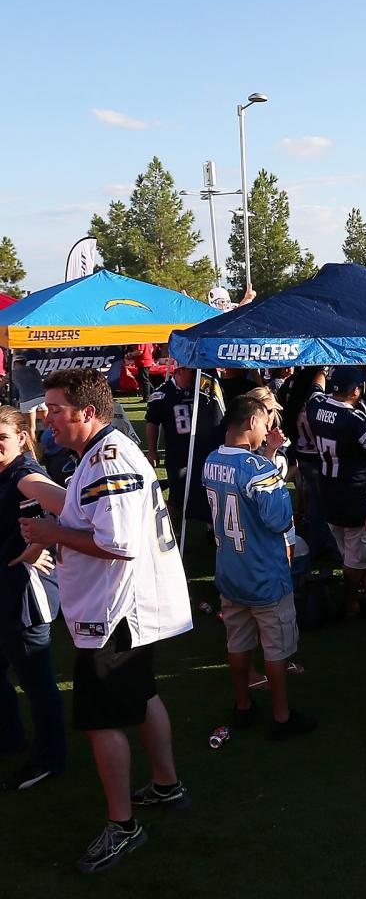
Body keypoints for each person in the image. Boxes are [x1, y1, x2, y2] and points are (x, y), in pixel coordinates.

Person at [21, 368, 191, 874]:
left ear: (88, 413)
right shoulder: (102, 453)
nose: (48, 421)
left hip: (114, 611)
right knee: (142, 695)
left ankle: (122, 826)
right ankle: (166, 784)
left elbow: (117, 544)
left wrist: (53, 532)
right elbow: (97, 520)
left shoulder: (107, 458)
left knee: (100, 721)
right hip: (126, 606)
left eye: (55, 410)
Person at [202, 395, 315, 739]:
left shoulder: (211, 459)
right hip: (263, 573)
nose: (268, 429)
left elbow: (243, 486)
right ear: (251, 422)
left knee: (238, 643)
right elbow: (279, 519)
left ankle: (242, 705)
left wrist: (267, 457)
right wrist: (272, 466)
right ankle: (281, 716)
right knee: (275, 649)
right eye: (265, 422)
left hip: (230, 570)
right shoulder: (259, 469)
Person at [0, 406, 64, 791]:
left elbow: (65, 502)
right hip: (6, 593)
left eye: (1, 439)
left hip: (25, 599)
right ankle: (10, 736)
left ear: (22, 438)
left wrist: (49, 535)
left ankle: (50, 757)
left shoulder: (25, 474)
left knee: (37, 681)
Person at [306, 366, 366, 615]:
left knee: (350, 550)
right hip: (355, 492)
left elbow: (314, 389)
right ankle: (349, 602)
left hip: (329, 488)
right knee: (357, 555)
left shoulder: (316, 407)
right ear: (355, 391)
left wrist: (322, 369)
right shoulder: (356, 420)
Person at [144, 365, 224, 524]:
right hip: (178, 454)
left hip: (205, 451)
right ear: (179, 370)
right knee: (177, 495)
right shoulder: (162, 393)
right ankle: (175, 533)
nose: (197, 374)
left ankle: (211, 527)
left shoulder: (206, 388)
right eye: (193, 371)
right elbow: (152, 422)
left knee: (210, 491)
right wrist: (152, 450)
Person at [284, 366, 336, 561]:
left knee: (313, 501)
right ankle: (323, 544)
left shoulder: (296, 404)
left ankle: (316, 541)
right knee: (322, 504)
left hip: (304, 455)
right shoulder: (316, 406)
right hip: (318, 458)